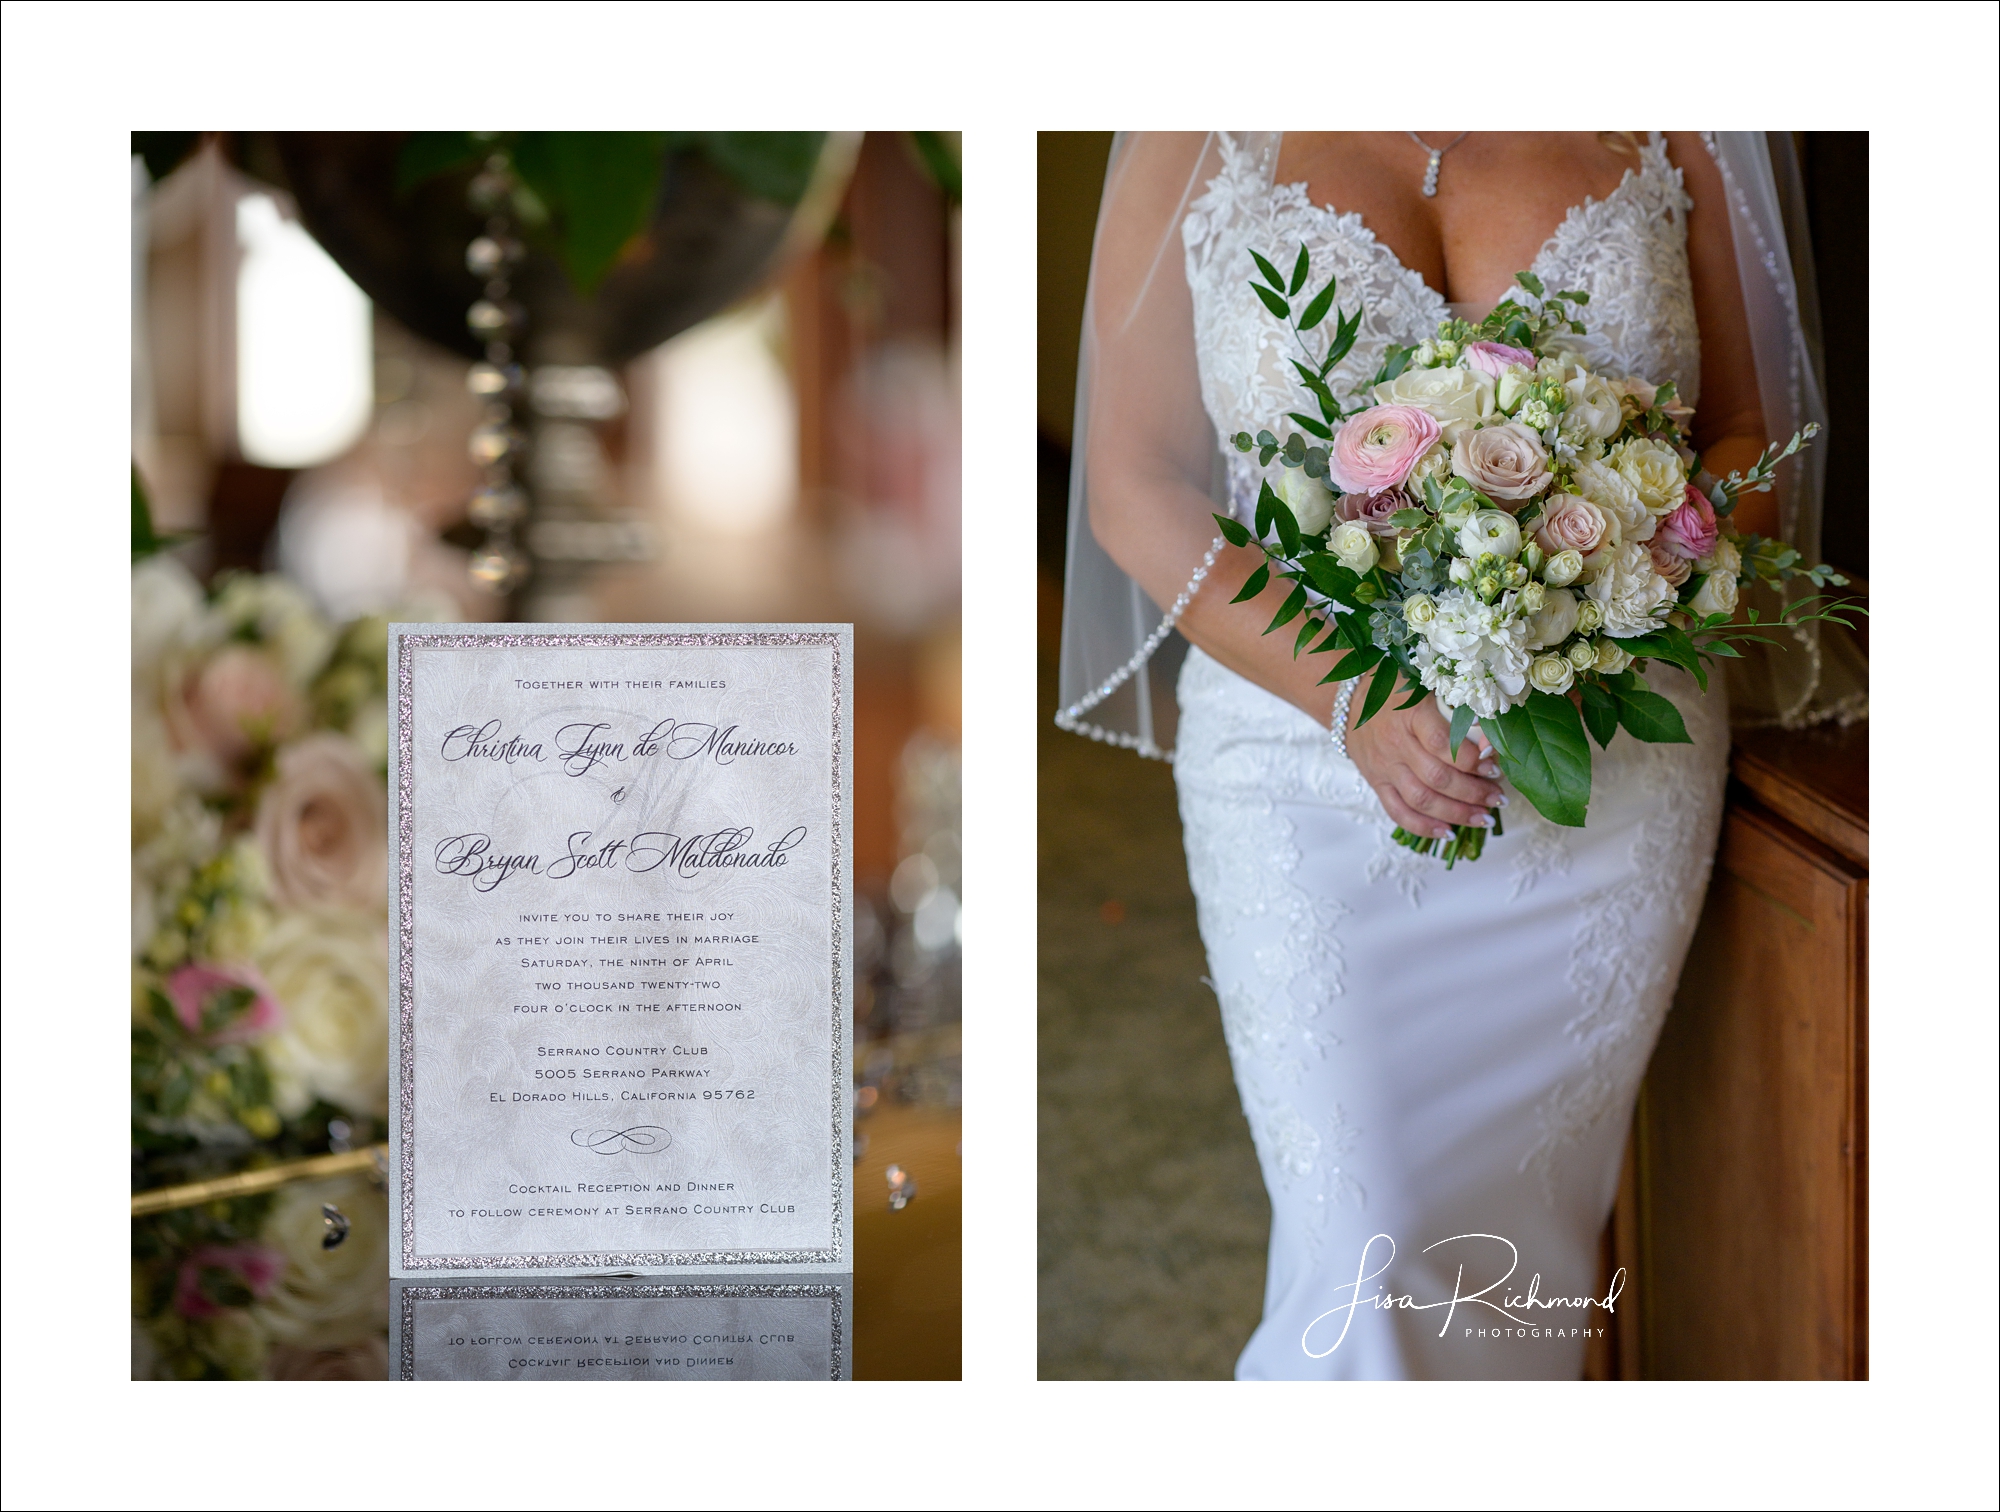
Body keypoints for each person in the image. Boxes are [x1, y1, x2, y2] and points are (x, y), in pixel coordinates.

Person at [1058, 132, 1829, 1379]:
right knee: (1364, 1233)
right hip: (1296, 760)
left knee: (1519, 1250)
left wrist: (1602, 597)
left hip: (1605, 769)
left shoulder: (1672, 103)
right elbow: (1134, 486)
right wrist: (1348, 696)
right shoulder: (1196, 117)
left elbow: (1747, 436)